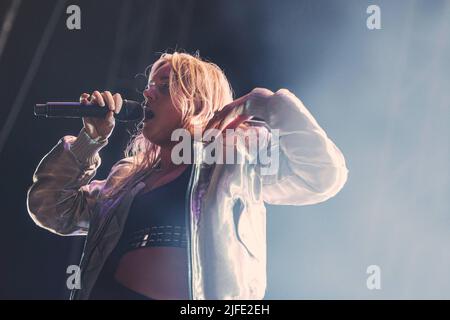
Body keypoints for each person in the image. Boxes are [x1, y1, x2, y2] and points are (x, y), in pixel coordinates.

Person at [26, 51, 349, 300]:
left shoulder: (235, 160)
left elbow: (322, 174)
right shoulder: (125, 180)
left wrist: (267, 104)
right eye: (150, 86)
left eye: (164, 88)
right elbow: (52, 208)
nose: (148, 94)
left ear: (197, 102)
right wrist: (90, 141)